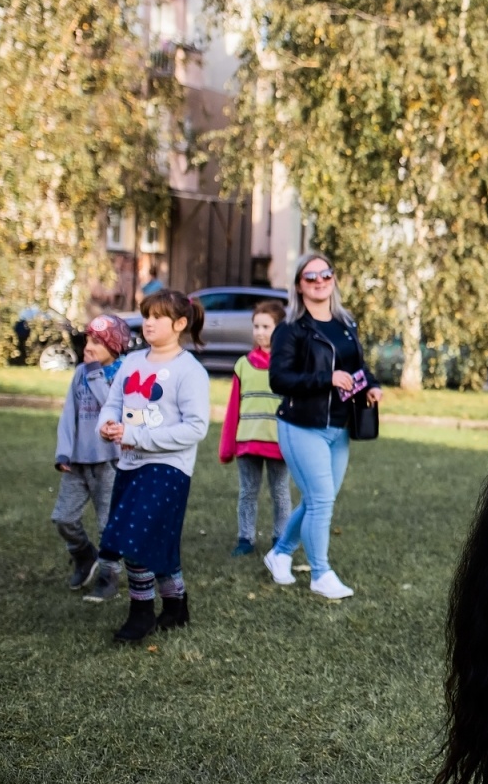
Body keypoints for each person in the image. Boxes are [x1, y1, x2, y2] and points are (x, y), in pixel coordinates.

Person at [91, 290, 210, 642]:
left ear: (180, 323)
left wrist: (136, 435)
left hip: (168, 467)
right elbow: (113, 404)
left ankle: (141, 612)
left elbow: (195, 428)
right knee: (158, 538)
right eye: (146, 316)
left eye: (158, 317)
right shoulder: (131, 362)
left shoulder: (190, 371)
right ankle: (176, 604)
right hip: (130, 465)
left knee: (135, 536)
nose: (149, 323)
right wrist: (107, 425)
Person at [263, 253, 381, 600]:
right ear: (299, 285)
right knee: (320, 500)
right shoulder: (291, 329)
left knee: (319, 499)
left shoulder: (345, 322)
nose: (319, 281)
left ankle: (280, 553)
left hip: (340, 425)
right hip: (301, 424)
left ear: (333, 279)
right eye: (310, 277)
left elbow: (358, 366)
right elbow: (279, 379)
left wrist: (372, 385)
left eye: (325, 274)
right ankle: (320, 573)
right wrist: (326, 379)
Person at [52, 314, 129, 591]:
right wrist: (63, 452)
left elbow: (112, 407)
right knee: (63, 518)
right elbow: (68, 415)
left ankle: (109, 575)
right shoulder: (80, 373)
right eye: (87, 340)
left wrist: (95, 373)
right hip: (77, 463)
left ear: (114, 346)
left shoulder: (123, 374)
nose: (88, 347)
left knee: (108, 524)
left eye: (97, 342)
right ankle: (84, 555)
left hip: (110, 463)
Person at [220, 300, 291, 556]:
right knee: (247, 492)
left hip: (279, 443)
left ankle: (281, 539)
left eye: (266, 327)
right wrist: (227, 447)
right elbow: (233, 409)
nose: (260, 332)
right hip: (247, 441)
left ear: (280, 329)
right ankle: (245, 538)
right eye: (256, 326)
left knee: (280, 492)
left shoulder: (288, 365)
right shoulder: (243, 365)